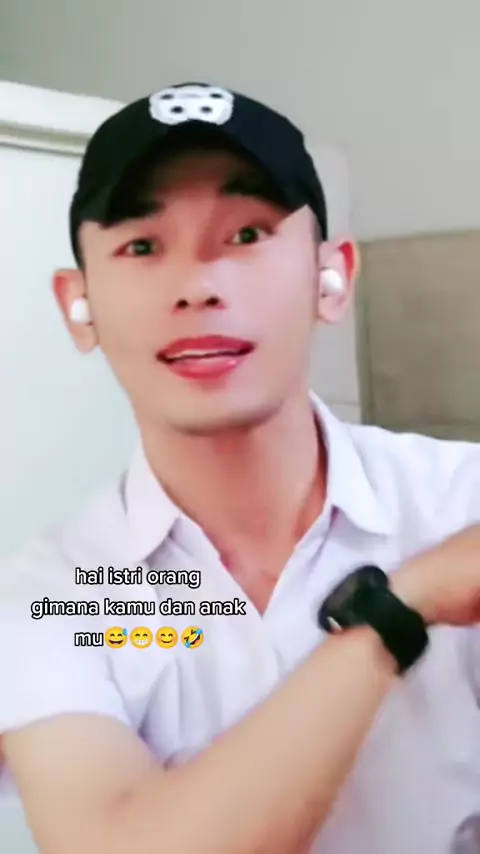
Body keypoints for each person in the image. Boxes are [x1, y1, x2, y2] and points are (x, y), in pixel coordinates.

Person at [0, 81, 479, 854]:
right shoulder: (56, 592)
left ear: (332, 277)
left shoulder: (461, 503)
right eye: (142, 247)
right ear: (77, 303)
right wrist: (402, 610)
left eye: (248, 234)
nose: (197, 287)